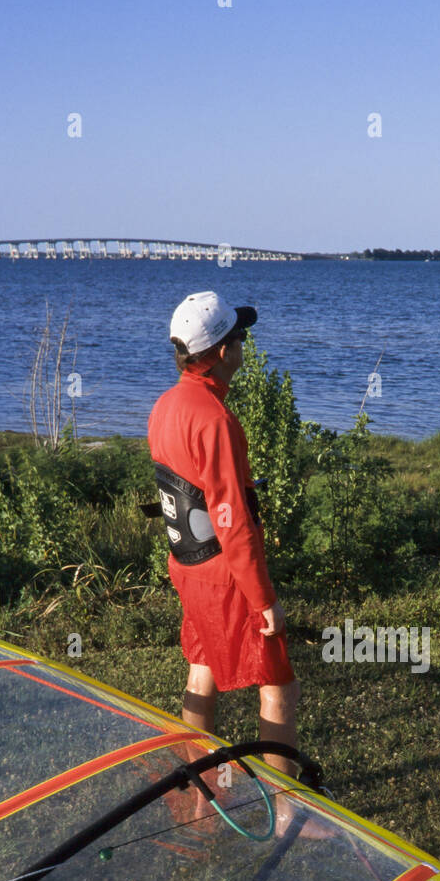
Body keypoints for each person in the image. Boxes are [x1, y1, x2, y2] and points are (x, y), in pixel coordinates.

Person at [148, 291, 301, 781]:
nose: (243, 346)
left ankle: (199, 783)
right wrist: (264, 600)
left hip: (186, 565)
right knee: (278, 683)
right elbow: (231, 520)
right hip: (224, 574)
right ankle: (285, 804)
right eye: (239, 338)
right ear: (221, 352)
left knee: (202, 664)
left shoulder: (164, 406)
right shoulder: (215, 420)